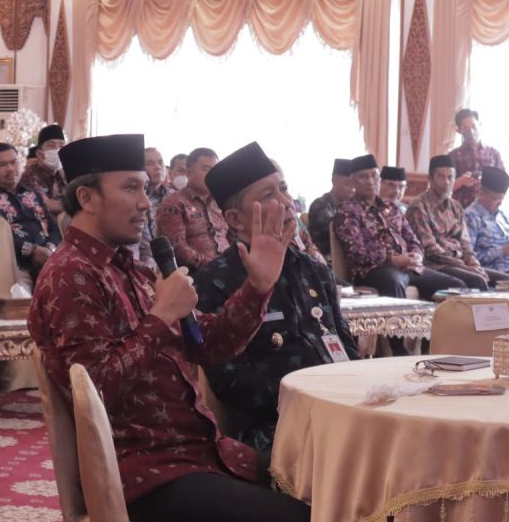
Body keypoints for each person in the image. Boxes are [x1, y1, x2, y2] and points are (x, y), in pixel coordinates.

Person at [29, 134, 311, 522]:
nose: (146, 203)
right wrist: (160, 318)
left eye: (145, 188)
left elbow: (211, 345)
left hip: (200, 453)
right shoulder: (70, 275)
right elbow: (96, 391)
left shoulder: (132, 270)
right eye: (131, 188)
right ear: (87, 198)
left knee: (331, 487)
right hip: (145, 474)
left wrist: (258, 286)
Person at [195, 142, 358, 476]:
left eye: (284, 189)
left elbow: (345, 344)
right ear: (235, 219)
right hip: (275, 427)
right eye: (269, 194)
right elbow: (230, 383)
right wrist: (315, 393)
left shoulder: (313, 270)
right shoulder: (217, 280)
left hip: (341, 410)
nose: (285, 202)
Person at [334, 154, 464, 301]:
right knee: (393, 281)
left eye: (374, 176)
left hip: (409, 267)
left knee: (455, 285)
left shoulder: (392, 207)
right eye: (363, 177)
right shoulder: (347, 211)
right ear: (352, 181)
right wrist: (393, 260)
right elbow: (356, 252)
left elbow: (412, 239)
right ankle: (400, 317)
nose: (370, 181)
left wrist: (416, 255)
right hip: (372, 270)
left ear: (379, 179)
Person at [406, 155, 509, 289]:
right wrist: (464, 266)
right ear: (431, 178)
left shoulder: (456, 207)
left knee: (507, 280)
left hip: (459, 263)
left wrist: (475, 265)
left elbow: (466, 244)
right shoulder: (419, 206)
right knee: (477, 280)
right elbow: (430, 249)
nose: (446, 182)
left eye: (450, 177)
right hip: (436, 265)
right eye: (441, 177)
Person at [0, 143, 60, 281]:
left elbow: (54, 228)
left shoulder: (33, 194)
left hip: (48, 260)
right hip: (12, 268)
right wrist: (32, 250)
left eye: (14, 162)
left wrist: (49, 249)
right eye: (3, 164)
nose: (10, 168)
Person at [156, 148, 227, 274]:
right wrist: (216, 266)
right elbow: (177, 249)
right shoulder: (174, 204)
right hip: (196, 276)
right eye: (206, 169)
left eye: (215, 170)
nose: (212, 175)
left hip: (228, 269)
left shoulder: (220, 202)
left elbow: (232, 237)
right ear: (189, 173)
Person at [465, 167, 509, 278]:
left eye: (501, 199)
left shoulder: (502, 216)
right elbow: (468, 257)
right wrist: (502, 251)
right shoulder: (470, 216)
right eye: (495, 199)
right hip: (499, 272)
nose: (499, 204)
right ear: (481, 193)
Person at [448, 108, 504, 208]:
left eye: (474, 126)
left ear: (480, 125)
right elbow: (444, 187)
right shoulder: (453, 156)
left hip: (487, 210)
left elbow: (503, 184)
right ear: (459, 130)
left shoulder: (493, 154)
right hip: (460, 210)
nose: (471, 131)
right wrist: (462, 181)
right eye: (465, 128)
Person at [307, 158, 355, 263]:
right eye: (347, 184)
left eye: (354, 185)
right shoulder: (320, 205)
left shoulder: (352, 206)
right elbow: (340, 232)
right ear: (334, 180)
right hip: (324, 262)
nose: (352, 189)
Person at [136, 147, 175, 266]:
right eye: (150, 163)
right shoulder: (137, 199)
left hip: (175, 257)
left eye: (160, 162)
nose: (157, 167)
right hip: (146, 261)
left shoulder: (174, 197)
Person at [19, 124, 67, 215]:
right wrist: (72, 206)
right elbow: (47, 205)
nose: (58, 150)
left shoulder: (62, 174)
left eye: (61, 146)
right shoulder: (30, 175)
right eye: (52, 146)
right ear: (39, 154)